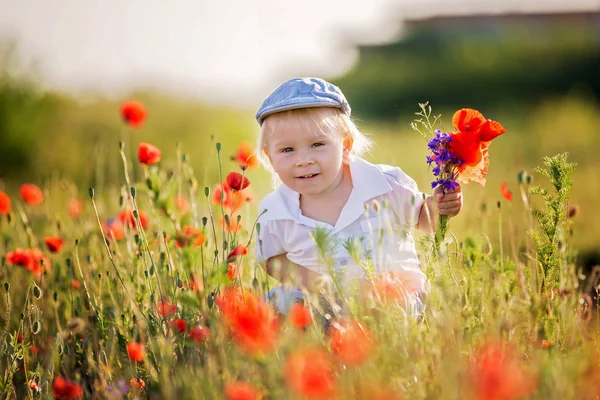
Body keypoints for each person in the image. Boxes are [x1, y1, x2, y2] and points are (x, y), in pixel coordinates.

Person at [253, 77, 462, 318]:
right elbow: (271, 258)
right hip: (321, 298)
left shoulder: (383, 185)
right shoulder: (275, 211)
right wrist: (320, 285)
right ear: (270, 157)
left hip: (388, 295)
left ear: (346, 146)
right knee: (277, 306)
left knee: (388, 310)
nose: (303, 160)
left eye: (317, 144)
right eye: (287, 150)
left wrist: (441, 206)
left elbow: (425, 220)